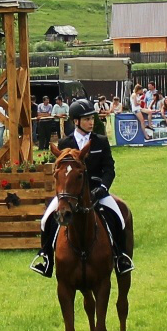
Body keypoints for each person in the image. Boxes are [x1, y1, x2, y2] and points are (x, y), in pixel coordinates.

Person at [33, 100, 132, 278]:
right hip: (70, 194)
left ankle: (121, 257)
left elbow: (109, 168)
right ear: (76, 121)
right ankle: (46, 258)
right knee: (46, 219)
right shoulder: (65, 143)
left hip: (96, 192)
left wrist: (102, 187)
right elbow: (61, 171)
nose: (91, 122)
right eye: (86, 119)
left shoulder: (100, 141)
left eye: (92, 118)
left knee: (119, 217)